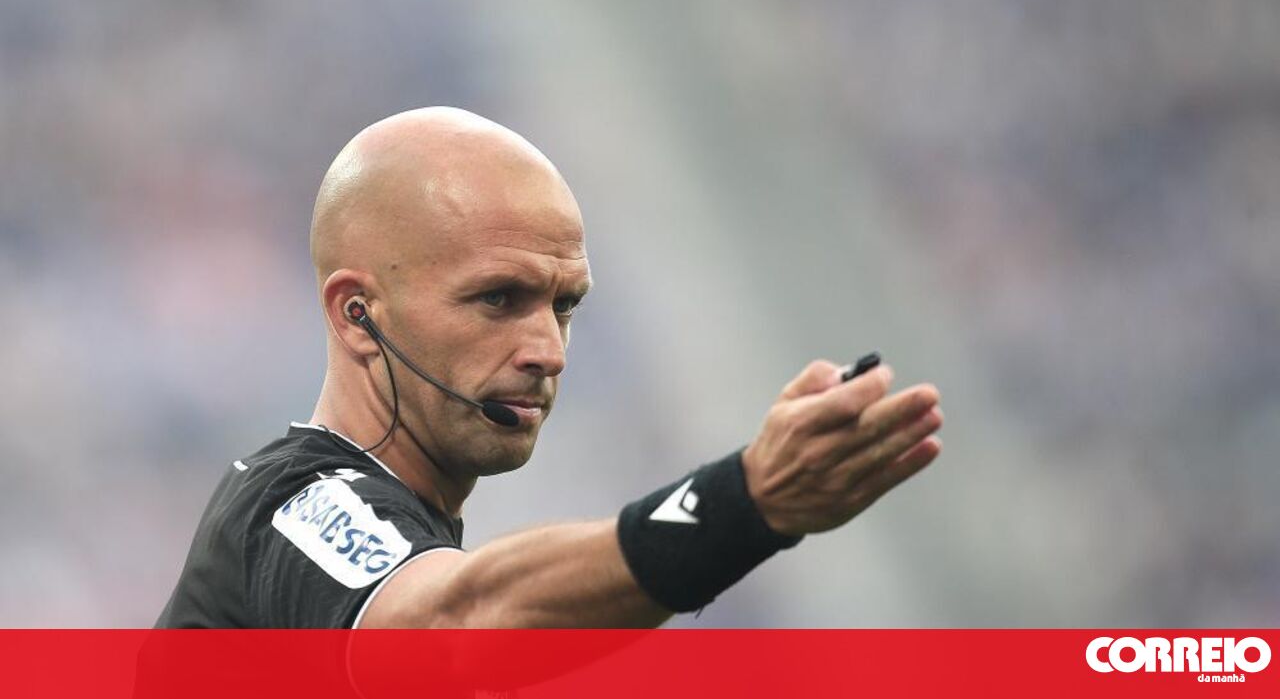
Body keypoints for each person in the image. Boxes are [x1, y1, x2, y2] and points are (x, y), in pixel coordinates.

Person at [155, 107, 944, 629]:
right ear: (357, 314)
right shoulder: (295, 508)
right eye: (499, 298)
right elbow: (458, 618)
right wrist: (744, 500)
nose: (550, 350)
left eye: (563, 304)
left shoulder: (409, 538)